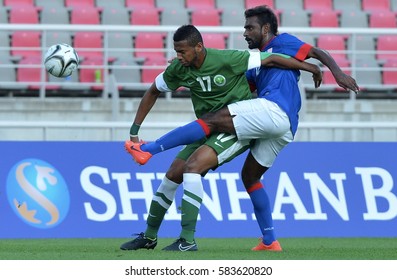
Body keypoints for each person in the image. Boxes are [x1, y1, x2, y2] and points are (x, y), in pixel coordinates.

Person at [124, 6, 360, 251]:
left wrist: (334, 72)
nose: (245, 32)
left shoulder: (282, 42)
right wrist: (183, 59)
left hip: (273, 110)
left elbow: (313, 52)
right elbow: (246, 85)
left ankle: (150, 151)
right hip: (281, 126)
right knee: (247, 176)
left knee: (206, 137)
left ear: (265, 29)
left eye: (249, 27)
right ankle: (269, 241)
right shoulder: (252, 64)